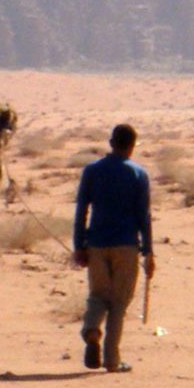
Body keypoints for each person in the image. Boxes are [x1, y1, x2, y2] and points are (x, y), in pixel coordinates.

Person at [71, 123, 156, 372]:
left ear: (111, 143)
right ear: (131, 147)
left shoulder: (92, 171)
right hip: (127, 246)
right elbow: (144, 215)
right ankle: (111, 359)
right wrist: (149, 250)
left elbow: (81, 211)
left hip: (96, 244)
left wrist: (79, 245)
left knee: (98, 296)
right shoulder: (138, 173)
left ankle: (91, 329)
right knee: (119, 303)